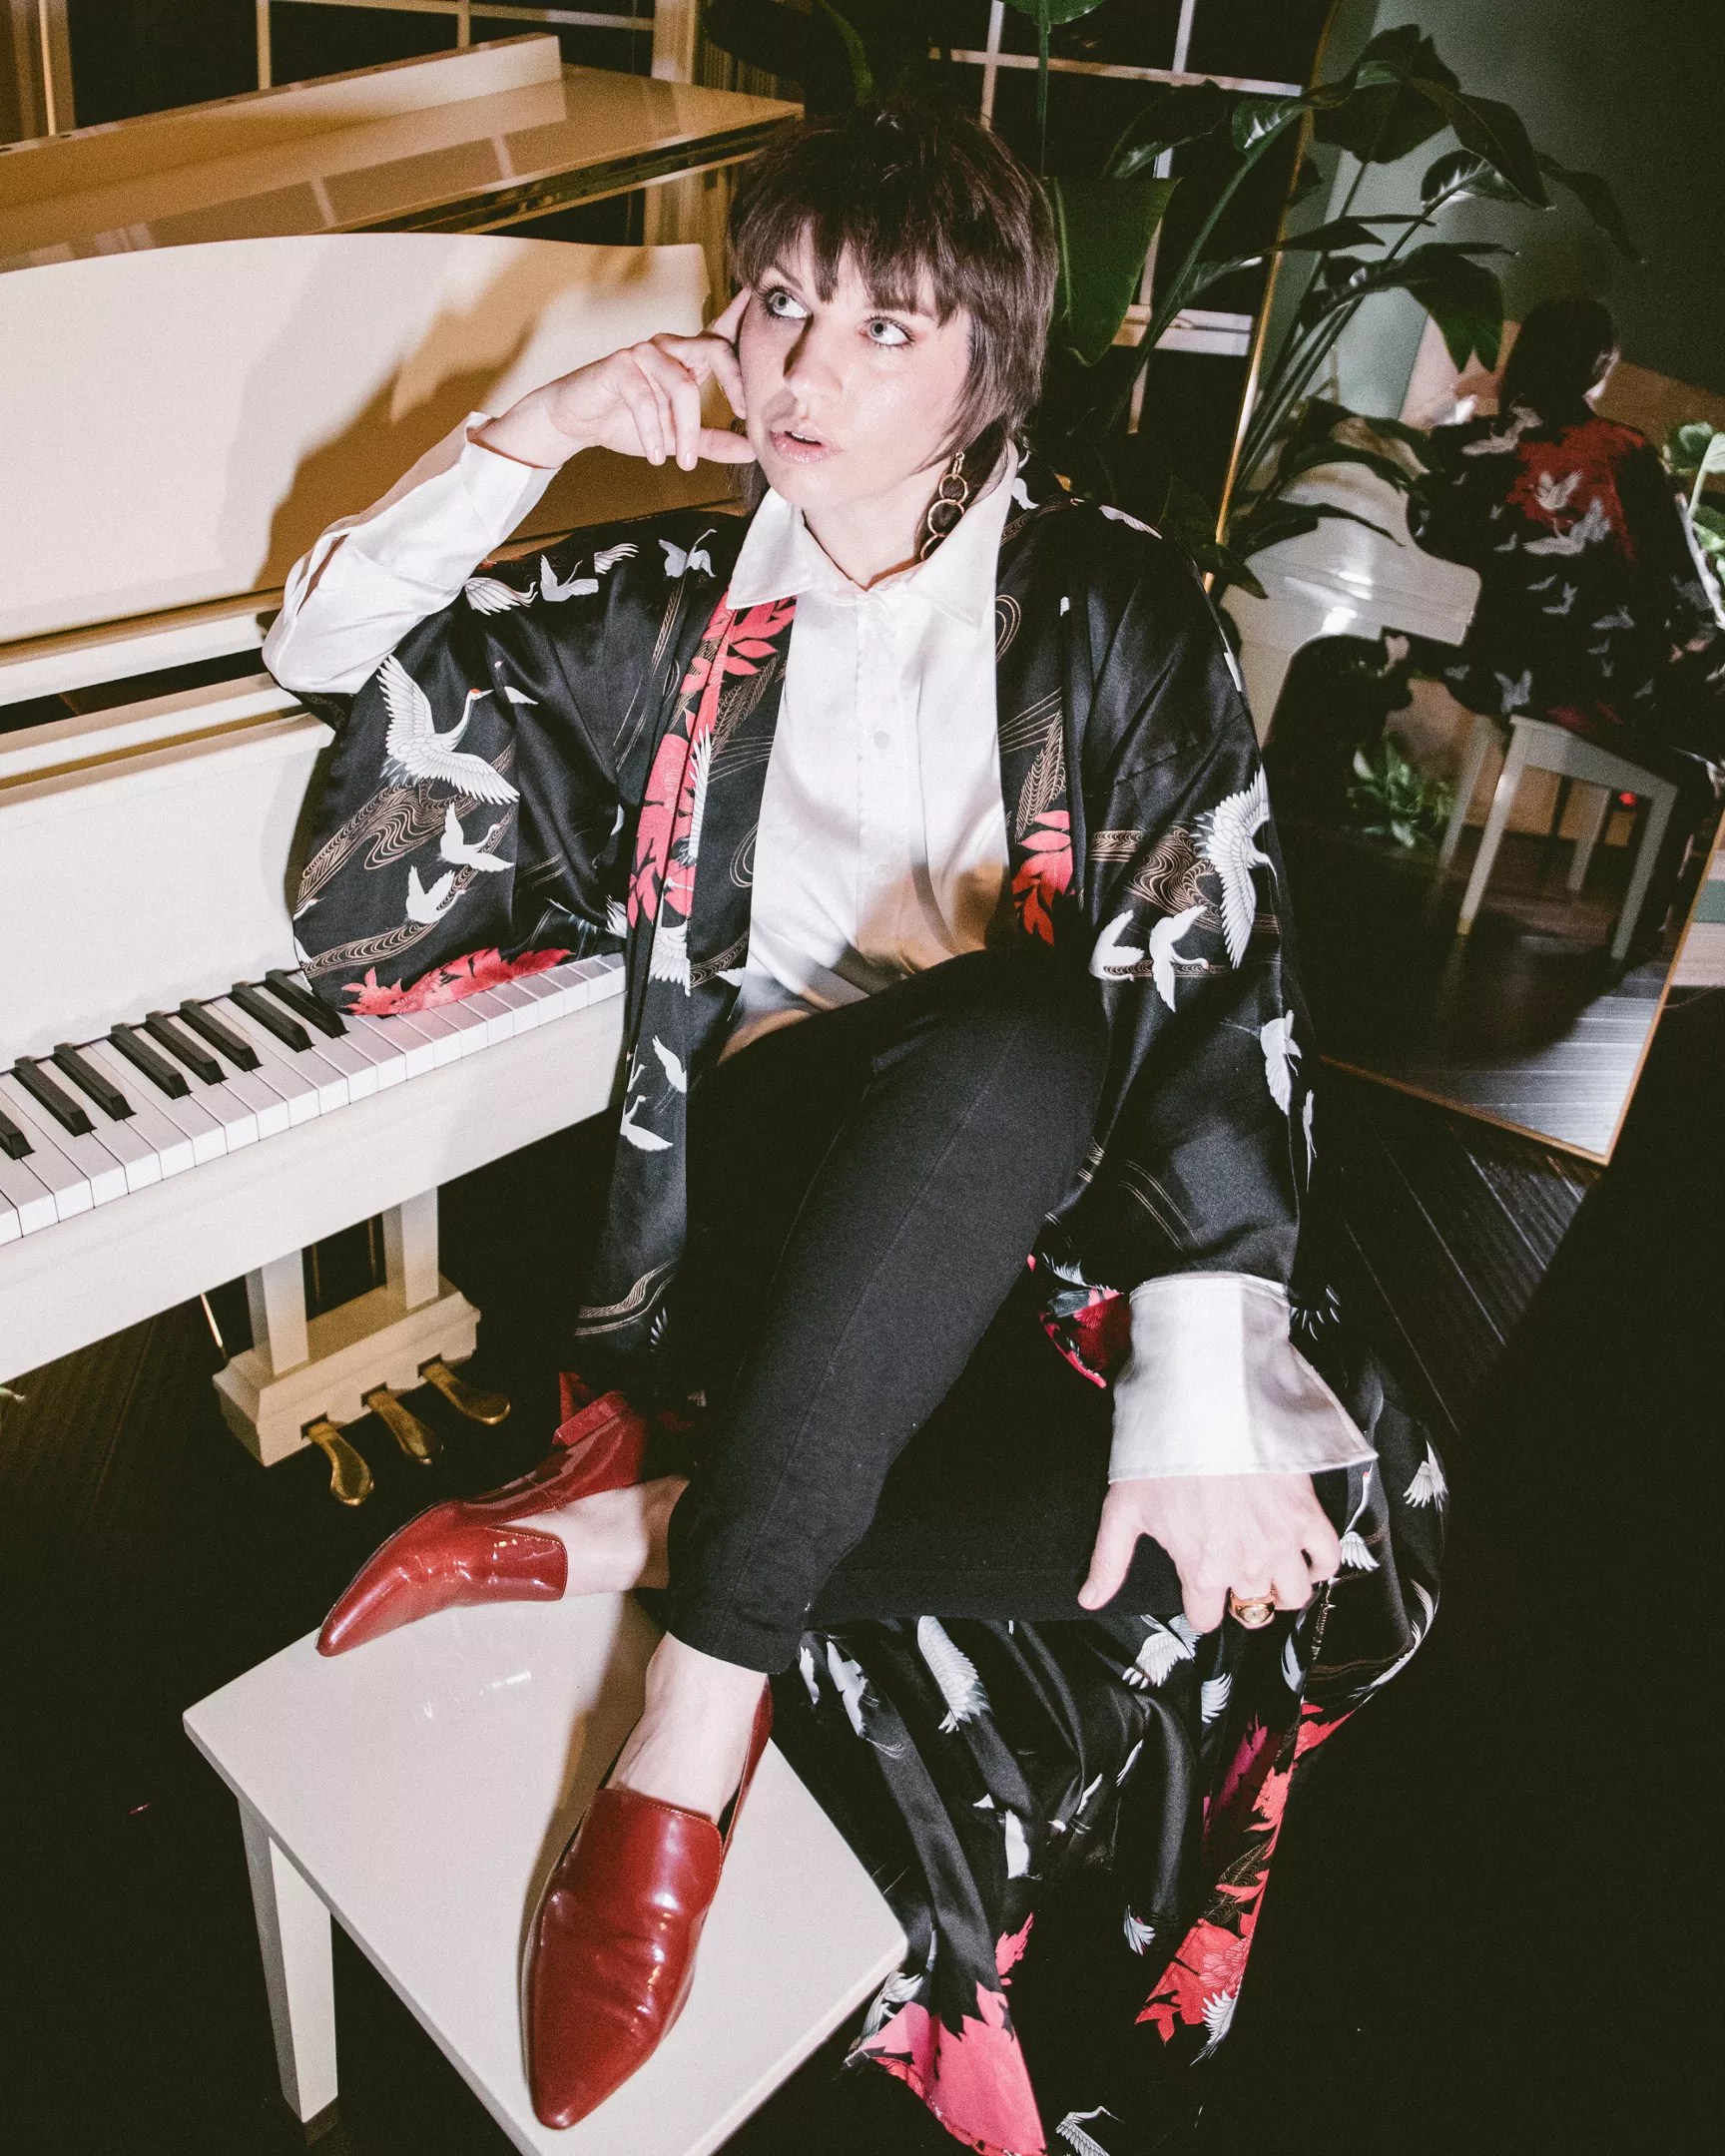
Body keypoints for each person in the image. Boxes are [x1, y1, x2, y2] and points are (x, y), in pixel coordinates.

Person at [266, 103, 1422, 2140]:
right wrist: (537, 430)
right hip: (763, 1211)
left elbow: (1212, 960)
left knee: (1241, 1532)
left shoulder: (1114, 611)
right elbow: (324, 653)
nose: (798, 366)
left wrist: (1197, 1372)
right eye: (778, 303)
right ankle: (689, 1729)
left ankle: (614, 1536)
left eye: (883, 328)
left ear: (991, 369)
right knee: (1022, 1042)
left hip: (1012, 1247)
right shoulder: (671, 600)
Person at [1413, 295, 1725, 760]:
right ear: (1599, 372)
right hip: (1595, 681)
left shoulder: (1455, 447)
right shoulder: (1622, 451)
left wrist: (1463, 393)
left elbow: (1413, 501)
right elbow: (1689, 600)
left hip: (1479, 667)